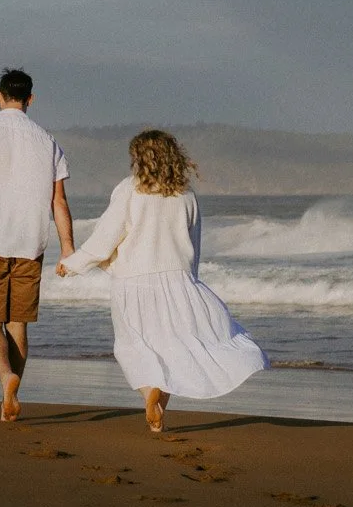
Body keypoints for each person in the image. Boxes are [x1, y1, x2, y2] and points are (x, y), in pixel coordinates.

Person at [56, 129, 266, 434]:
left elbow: (106, 238)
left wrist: (72, 264)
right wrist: (190, 280)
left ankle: (148, 395)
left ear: (139, 159)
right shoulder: (187, 196)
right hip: (179, 281)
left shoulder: (129, 190)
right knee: (172, 347)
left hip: (133, 284)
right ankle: (157, 410)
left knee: (133, 347)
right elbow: (194, 243)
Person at [0, 67, 74, 422]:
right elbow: (59, 202)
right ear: (30, 99)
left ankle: (7, 378)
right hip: (29, 243)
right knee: (17, 323)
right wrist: (68, 248)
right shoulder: (47, 140)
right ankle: (13, 394)